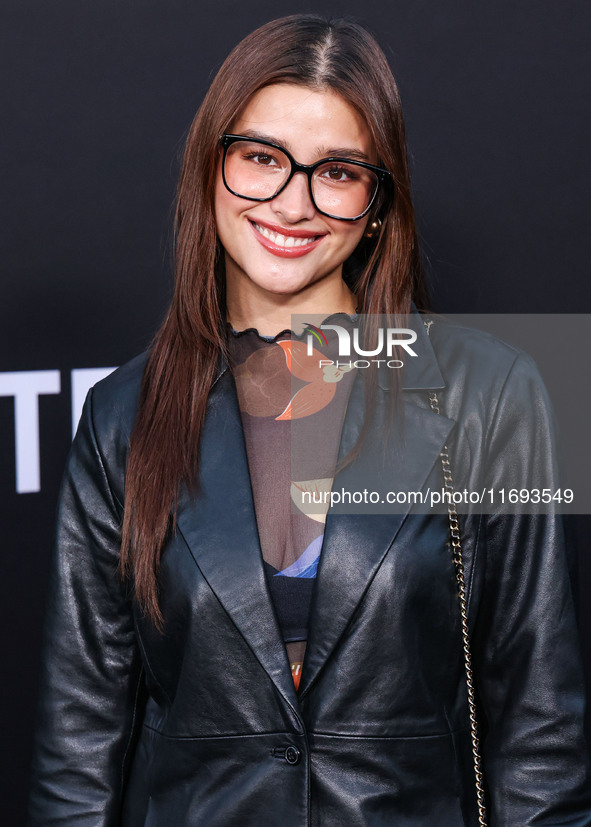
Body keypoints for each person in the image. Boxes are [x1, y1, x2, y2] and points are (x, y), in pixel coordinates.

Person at [26, 13, 591, 827]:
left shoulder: (494, 390)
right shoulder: (122, 414)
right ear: (208, 168)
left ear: (377, 201)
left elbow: (539, 728)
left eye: (337, 170)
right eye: (259, 157)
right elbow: (79, 746)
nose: (293, 200)